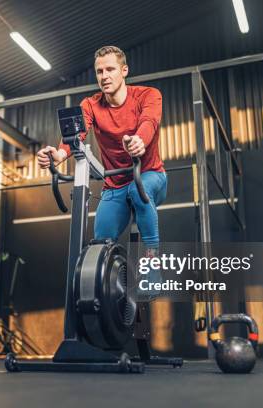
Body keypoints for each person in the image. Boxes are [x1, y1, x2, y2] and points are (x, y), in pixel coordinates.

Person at [37, 45, 166, 262]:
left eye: (110, 69)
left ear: (124, 70)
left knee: (137, 190)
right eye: (99, 71)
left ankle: (152, 264)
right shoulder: (90, 104)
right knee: (99, 244)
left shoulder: (148, 95)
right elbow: (77, 133)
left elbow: (149, 121)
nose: (104, 76)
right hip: (114, 184)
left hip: (150, 175)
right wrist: (59, 154)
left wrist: (138, 141)